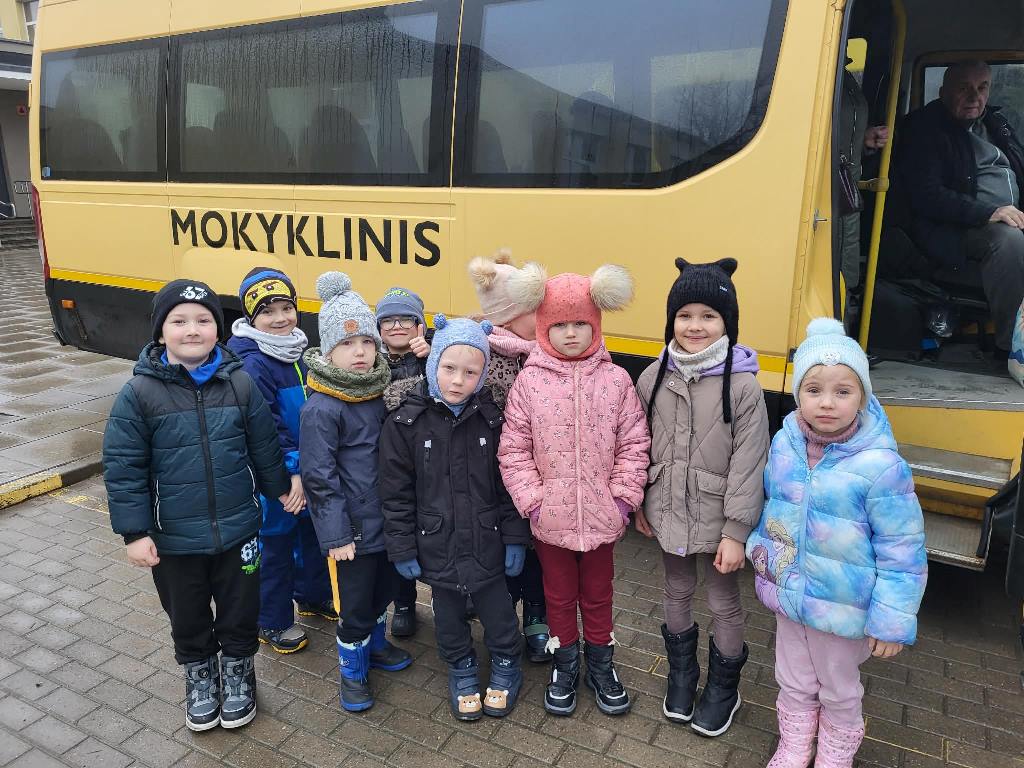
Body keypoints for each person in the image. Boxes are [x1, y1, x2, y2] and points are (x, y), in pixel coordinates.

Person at [103, 279, 291, 731]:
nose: (192, 330)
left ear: (218, 329)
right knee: (187, 615)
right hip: (174, 539)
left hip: (239, 529)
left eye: (204, 320)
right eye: (179, 321)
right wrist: (135, 532)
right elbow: (124, 467)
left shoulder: (240, 383)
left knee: (240, 611)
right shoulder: (139, 394)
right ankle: (200, 677)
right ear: (160, 331)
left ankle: (238, 673)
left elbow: (264, 446)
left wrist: (282, 490)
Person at [746, 318, 928, 768]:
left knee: (839, 688)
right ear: (798, 395)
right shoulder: (785, 444)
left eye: (842, 391)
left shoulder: (881, 466)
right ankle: (794, 746)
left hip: (844, 607)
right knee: (792, 677)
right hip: (791, 595)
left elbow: (903, 550)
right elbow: (773, 508)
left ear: (862, 396)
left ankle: (834, 755)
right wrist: (758, 551)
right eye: (814, 390)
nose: (826, 403)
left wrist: (891, 619)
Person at [498, 264, 650, 717]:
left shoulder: (616, 381)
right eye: (559, 324)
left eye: (580, 323)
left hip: (604, 517)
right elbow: (514, 449)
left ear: (595, 325)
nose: (570, 333)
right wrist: (534, 503)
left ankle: (601, 664)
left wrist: (622, 500)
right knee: (558, 597)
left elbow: (634, 443)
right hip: (551, 520)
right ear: (543, 327)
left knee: (599, 595)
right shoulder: (529, 382)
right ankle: (564, 663)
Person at [634, 258, 769, 737]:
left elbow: (750, 463)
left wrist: (736, 532)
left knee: (723, 601)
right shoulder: (653, 378)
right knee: (675, 591)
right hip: (668, 509)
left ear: (727, 322)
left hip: (718, 518)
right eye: (685, 315)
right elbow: (636, 445)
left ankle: (723, 689)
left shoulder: (744, 386)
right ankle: (682, 675)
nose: (695, 325)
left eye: (708, 316)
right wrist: (638, 501)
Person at [380, 314, 530, 721]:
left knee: (498, 609)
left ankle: (506, 661)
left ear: (483, 375)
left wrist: (516, 537)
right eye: (449, 368)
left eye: (470, 372)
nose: (458, 380)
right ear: (433, 364)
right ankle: (461, 665)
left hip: (487, 538)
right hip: (436, 540)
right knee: (446, 611)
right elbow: (395, 493)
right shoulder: (405, 423)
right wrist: (402, 547)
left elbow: (508, 484)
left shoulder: (493, 420)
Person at [299, 272, 412, 712]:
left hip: (388, 521)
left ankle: (375, 645)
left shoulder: (381, 391)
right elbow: (319, 476)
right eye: (347, 344)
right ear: (329, 351)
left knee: (384, 589)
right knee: (355, 604)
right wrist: (336, 534)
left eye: (367, 341)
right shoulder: (322, 407)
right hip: (352, 531)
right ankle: (352, 671)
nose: (361, 352)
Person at [227, 267, 336, 655]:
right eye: (267, 312)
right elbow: (267, 428)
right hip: (275, 476)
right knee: (274, 546)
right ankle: (270, 620)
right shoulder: (252, 363)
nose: (280, 318)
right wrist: (292, 473)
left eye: (286, 308)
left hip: (306, 469)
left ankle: (312, 596)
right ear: (251, 317)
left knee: (311, 536)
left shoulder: (299, 351)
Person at [896, 59, 1024, 357]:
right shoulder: (924, 129)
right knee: (1008, 241)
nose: (974, 96)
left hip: (1007, 216)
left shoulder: (996, 123)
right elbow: (927, 195)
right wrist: (989, 213)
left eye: (982, 87)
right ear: (943, 92)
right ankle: (1013, 348)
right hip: (954, 229)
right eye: (964, 88)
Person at [468, 249, 551, 663]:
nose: (544, 317)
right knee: (507, 550)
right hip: (498, 479)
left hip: (543, 476)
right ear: (506, 317)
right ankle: (502, 616)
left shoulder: (545, 351)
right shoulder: (485, 358)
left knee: (538, 552)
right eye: (534, 311)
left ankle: (537, 614)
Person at [375, 285, 431, 637]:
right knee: (398, 533)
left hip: (431, 460)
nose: (397, 326)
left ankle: (451, 593)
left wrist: (432, 354)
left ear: (420, 325)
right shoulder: (373, 364)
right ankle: (405, 602)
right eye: (388, 320)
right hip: (393, 464)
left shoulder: (432, 357)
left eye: (406, 320)